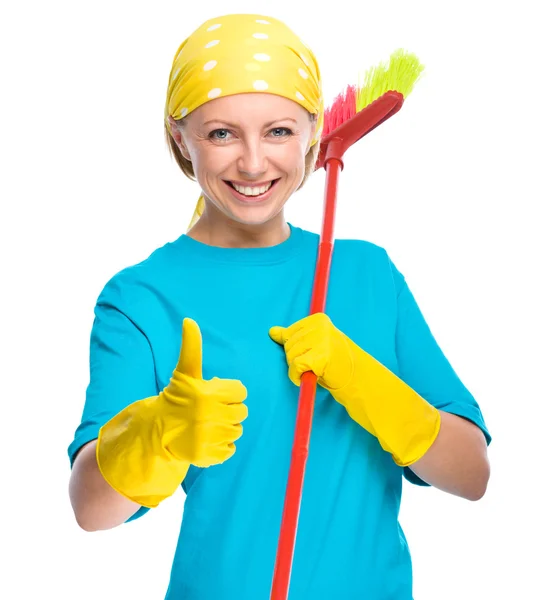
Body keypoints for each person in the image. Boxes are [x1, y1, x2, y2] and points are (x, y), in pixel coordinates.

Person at [67, 13, 491, 599]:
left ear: (314, 134)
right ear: (179, 137)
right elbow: (91, 509)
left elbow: (472, 475)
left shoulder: (367, 275)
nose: (253, 162)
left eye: (278, 132)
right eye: (221, 134)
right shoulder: (141, 297)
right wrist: (156, 432)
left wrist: (366, 380)